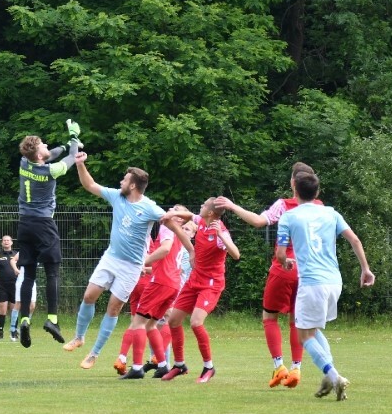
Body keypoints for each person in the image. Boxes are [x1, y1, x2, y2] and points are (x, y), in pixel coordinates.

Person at [63, 153, 183, 372]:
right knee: (89, 296)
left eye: (125, 179)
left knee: (113, 308)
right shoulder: (116, 196)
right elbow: (89, 184)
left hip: (131, 267)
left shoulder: (149, 207)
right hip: (111, 258)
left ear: (134, 185)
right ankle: (79, 337)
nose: (121, 182)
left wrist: (186, 231)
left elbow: (170, 219)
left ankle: (94, 354)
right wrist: (80, 164)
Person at [215, 161, 318, 389]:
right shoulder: (321, 207)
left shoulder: (284, 205)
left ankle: (279, 366)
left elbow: (258, 221)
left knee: (269, 318)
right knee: (296, 321)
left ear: (293, 182)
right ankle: (297, 368)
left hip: (284, 269)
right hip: (310, 273)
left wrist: (232, 206)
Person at [275, 172, 375, 401]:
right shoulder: (331, 213)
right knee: (314, 329)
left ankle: (334, 375)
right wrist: (365, 269)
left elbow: (280, 253)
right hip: (334, 281)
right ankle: (330, 377)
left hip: (312, 282)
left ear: (294, 189)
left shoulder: (288, 217)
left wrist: (285, 261)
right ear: (317, 193)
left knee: (304, 335)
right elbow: (355, 240)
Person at [15, 120, 82, 348]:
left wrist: (64, 146)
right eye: (43, 144)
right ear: (40, 155)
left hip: (24, 224)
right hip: (44, 224)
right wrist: (73, 138)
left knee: (29, 274)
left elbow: (51, 153)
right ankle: (52, 320)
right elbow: (72, 158)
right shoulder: (51, 170)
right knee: (52, 273)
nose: (46, 144)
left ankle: (24, 318)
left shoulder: (25, 162)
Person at [160, 197, 241, 383]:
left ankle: (209, 367)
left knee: (196, 322)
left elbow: (236, 254)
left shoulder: (219, 231)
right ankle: (179, 365)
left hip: (211, 284)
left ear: (211, 213)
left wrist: (221, 235)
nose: (201, 207)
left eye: (204, 205)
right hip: (194, 280)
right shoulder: (201, 221)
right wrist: (173, 213)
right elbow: (189, 215)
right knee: (173, 320)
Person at [113, 206, 194, 379]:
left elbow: (165, 249)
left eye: (175, 209)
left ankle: (136, 368)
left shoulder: (168, 226)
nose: (170, 209)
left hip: (160, 282)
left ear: (179, 218)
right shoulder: (179, 232)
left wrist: (144, 262)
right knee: (151, 325)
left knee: (138, 322)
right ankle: (163, 365)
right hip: (172, 284)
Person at [0, 235, 18, 340]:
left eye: (8, 240)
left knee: (15, 309)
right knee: (2, 309)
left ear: (11, 242)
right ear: (2, 243)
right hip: (2, 285)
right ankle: (0, 333)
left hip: (15, 285)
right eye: (4, 240)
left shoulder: (16, 255)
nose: (6, 242)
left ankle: (14, 332)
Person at [7, 256, 37, 341]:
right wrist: (16, 269)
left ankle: (24, 328)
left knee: (32, 305)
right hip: (22, 281)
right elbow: (12, 260)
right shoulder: (24, 251)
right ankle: (13, 330)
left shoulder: (38, 250)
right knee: (19, 303)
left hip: (32, 281)